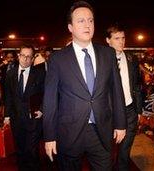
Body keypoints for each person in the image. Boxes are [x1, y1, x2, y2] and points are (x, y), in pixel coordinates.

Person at [43, 1, 126, 170]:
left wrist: (120, 123)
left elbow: (117, 91)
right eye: (81, 21)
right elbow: (50, 100)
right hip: (69, 133)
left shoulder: (107, 54)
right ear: (70, 27)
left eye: (91, 20)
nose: (87, 24)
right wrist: (49, 136)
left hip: (101, 131)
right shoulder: (58, 59)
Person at [105, 24, 142, 170]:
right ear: (108, 40)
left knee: (125, 151)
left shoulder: (131, 59)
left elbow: (137, 86)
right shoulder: (101, 59)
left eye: (123, 38)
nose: (121, 42)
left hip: (129, 110)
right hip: (109, 111)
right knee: (107, 150)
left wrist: (138, 110)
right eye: (117, 38)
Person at [4, 45, 45, 171]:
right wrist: (7, 115)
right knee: (20, 150)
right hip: (16, 119)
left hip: (33, 118)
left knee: (32, 151)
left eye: (29, 56)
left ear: (33, 59)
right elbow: (8, 96)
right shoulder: (10, 74)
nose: (25, 59)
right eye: (23, 55)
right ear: (18, 56)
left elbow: (46, 93)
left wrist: (42, 109)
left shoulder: (40, 74)